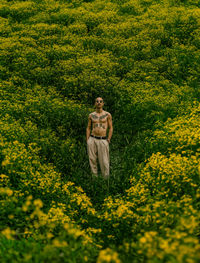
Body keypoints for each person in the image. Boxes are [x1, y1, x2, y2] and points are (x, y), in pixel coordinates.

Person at [86, 97, 113, 179]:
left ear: (103, 103)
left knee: (104, 161)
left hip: (102, 139)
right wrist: (87, 140)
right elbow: (88, 127)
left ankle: (106, 181)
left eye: (100, 101)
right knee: (92, 159)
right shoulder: (91, 115)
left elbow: (111, 127)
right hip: (92, 138)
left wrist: (109, 138)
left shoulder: (107, 115)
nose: (99, 103)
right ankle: (95, 180)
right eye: (97, 101)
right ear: (95, 103)